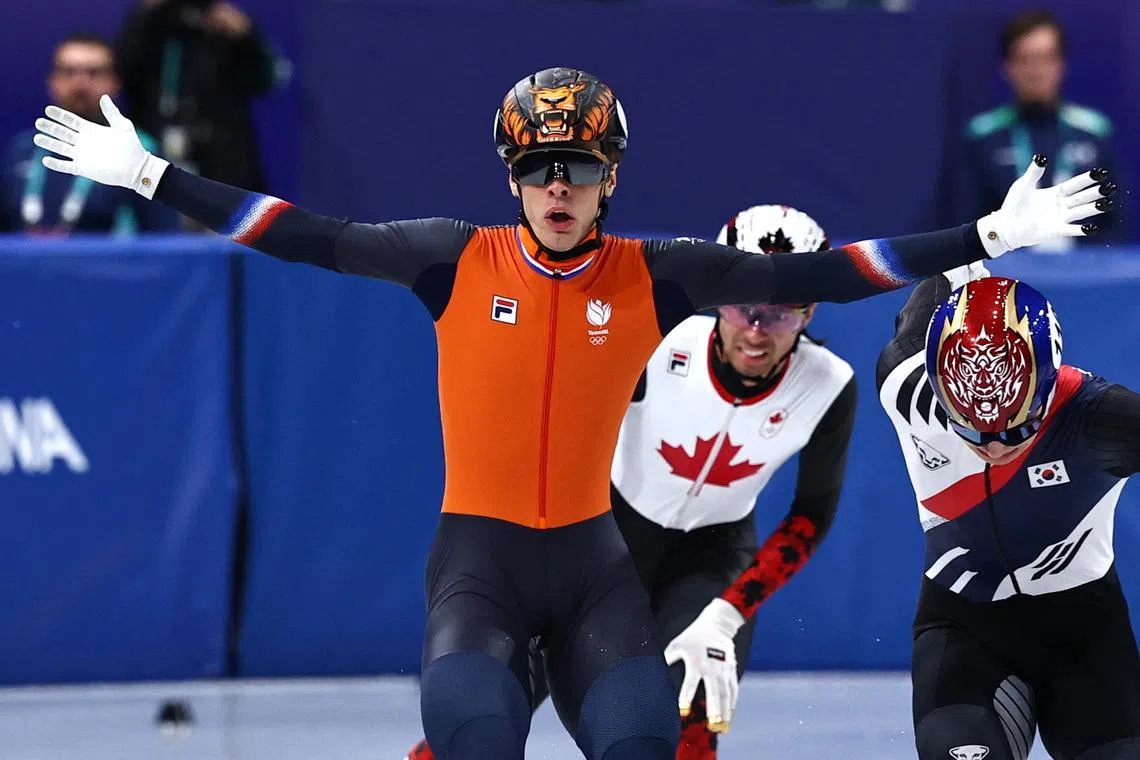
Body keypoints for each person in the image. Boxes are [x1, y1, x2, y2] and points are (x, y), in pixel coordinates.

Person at [32, 67, 1109, 760]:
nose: (559, 187)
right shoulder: (452, 257)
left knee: (652, 745)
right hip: (482, 568)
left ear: (610, 178)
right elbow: (303, 231)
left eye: (579, 169)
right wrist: (150, 174)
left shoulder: (661, 273)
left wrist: (984, 237)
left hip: (597, 573)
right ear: (513, 177)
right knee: (478, 741)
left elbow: (825, 276)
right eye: (540, 168)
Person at [402, 204, 856, 760]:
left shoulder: (830, 384)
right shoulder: (660, 339)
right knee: (500, 701)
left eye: (783, 314)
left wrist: (728, 613)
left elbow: (811, 515)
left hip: (714, 560)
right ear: (715, 300)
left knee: (692, 720)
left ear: (811, 314)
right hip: (609, 541)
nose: (758, 332)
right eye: (743, 308)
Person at [876, 263, 1140, 759]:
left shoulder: (1102, 418)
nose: (993, 445)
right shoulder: (904, 386)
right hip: (963, 631)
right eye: (971, 428)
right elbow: (937, 269)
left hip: (1086, 638)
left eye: (1016, 426)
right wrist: (979, 242)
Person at [944, 8, 1129, 246]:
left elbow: (1118, 226)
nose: (1036, 71)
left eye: (1046, 58)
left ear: (1061, 65)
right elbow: (965, 227)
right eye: (1026, 59)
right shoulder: (983, 136)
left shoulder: (1094, 132)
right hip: (1006, 271)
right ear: (1007, 67)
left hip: (1086, 273)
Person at [0, 32, 180, 234]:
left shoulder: (141, 151)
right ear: (52, 82)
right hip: (21, 265)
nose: (80, 84)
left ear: (114, 83)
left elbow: (165, 240)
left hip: (109, 265)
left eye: (93, 73)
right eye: (69, 72)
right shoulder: (20, 149)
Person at [115, 0, 284, 191]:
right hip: (156, 150)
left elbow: (267, 80)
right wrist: (147, 12)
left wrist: (247, 37)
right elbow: (120, 72)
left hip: (223, 160)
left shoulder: (229, 28)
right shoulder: (149, 25)